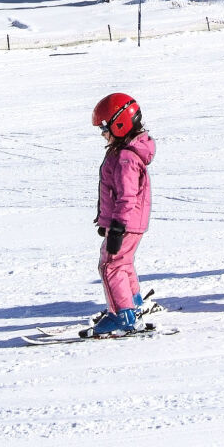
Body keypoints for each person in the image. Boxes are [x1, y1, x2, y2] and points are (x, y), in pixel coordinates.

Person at [88, 93, 154, 337]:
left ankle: (121, 314)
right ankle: (134, 303)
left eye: (105, 128)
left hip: (125, 222)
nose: (103, 134)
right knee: (123, 263)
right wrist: (106, 222)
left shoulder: (126, 157)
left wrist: (116, 226)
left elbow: (127, 196)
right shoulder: (124, 152)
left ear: (119, 123)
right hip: (129, 222)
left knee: (110, 265)